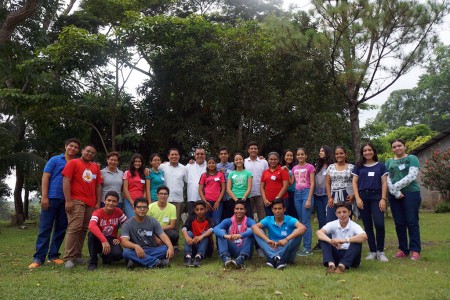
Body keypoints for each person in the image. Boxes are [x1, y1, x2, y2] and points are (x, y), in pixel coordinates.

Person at [29, 138, 81, 269]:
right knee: (45, 228)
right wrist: (44, 196)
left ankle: (53, 256)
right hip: (51, 198)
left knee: (61, 228)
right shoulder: (55, 160)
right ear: (66, 146)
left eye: (76, 147)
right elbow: (45, 177)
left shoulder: (77, 163)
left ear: (78, 150)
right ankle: (39, 258)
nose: (73, 148)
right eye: (71, 146)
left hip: (67, 201)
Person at [62, 144, 103, 269]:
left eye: (92, 153)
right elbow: (66, 181)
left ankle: (77, 255)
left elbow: (98, 186)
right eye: (88, 151)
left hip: (91, 203)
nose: (89, 154)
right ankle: (69, 258)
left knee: (84, 229)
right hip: (76, 200)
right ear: (83, 151)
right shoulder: (73, 163)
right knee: (74, 228)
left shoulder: (95, 167)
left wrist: (97, 202)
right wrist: (68, 200)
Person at [386, 139, 422, 261]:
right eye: (394, 146)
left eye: (399, 146)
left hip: (411, 193)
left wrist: (395, 188)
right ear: (392, 149)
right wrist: (395, 192)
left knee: (412, 222)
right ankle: (403, 249)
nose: (397, 148)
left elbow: (411, 176)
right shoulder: (389, 162)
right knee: (399, 223)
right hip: (394, 195)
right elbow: (387, 178)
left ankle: (415, 250)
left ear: (404, 146)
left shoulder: (412, 158)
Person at [352, 143, 389, 262]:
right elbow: (354, 183)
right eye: (365, 150)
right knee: (367, 225)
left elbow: (384, 183)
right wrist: (357, 198)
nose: (367, 152)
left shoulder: (381, 166)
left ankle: (380, 251)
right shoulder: (359, 166)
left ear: (374, 151)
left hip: (376, 197)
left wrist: (383, 199)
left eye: (370, 150)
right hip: (363, 197)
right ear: (362, 153)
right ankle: (372, 251)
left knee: (379, 224)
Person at [252, 198, 306, 270]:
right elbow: (254, 227)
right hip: (272, 249)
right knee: (258, 231)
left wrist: (286, 239)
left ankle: (275, 258)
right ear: (272, 210)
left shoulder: (289, 219)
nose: (277, 211)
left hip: (287, 253)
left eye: (280, 208)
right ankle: (275, 258)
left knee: (298, 232)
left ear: (284, 209)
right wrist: (267, 240)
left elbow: (303, 228)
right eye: (275, 209)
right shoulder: (268, 219)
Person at [120, 197, 174, 269]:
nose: (142, 209)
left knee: (165, 248)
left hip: (151, 249)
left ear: (148, 209)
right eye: (139, 207)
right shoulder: (127, 224)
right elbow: (124, 242)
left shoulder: (153, 221)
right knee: (126, 252)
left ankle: (136, 261)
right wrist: (136, 246)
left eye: (144, 207)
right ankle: (157, 263)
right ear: (134, 209)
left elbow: (163, 235)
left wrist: (170, 247)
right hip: (135, 250)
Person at [316, 202, 368, 274]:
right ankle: (331, 265)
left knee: (357, 242)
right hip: (336, 254)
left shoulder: (354, 225)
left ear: (349, 213)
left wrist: (344, 240)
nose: (342, 215)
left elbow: (364, 236)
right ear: (336, 214)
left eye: (344, 212)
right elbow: (319, 233)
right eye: (339, 212)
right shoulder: (333, 223)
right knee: (324, 239)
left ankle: (342, 266)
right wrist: (331, 241)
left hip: (350, 256)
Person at [87, 191, 127, 271]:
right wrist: (103, 240)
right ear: (104, 201)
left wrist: (119, 238)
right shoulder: (97, 212)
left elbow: (127, 225)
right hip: (98, 239)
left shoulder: (118, 211)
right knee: (92, 234)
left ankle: (105, 256)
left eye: (114, 201)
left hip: (111, 239)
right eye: (109, 200)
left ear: (117, 203)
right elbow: (91, 226)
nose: (111, 203)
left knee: (118, 255)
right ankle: (93, 263)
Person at [214, 200, 256, 268]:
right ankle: (225, 258)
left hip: (245, 249)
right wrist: (225, 236)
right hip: (232, 247)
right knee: (221, 232)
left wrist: (240, 235)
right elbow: (216, 228)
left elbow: (255, 228)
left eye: (241, 209)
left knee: (251, 230)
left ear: (245, 210)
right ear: (234, 210)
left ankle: (241, 258)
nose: (239, 211)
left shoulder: (249, 221)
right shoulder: (228, 221)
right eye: (237, 209)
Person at [292, 148, 315, 256]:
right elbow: (292, 181)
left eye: (302, 154)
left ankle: (307, 247)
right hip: (297, 194)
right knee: (300, 221)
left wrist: (309, 199)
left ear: (306, 155)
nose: (300, 156)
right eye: (298, 154)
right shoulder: (294, 168)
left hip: (306, 193)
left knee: (305, 221)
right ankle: (301, 246)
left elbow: (313, 184)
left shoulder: (310, 167)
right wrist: (284, 170)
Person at [312, 145, 335, 251]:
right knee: (321, 219)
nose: (320, 152)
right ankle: (321, 242)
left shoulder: (332, 166)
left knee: (328, 219)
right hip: (317, 195)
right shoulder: (317, 165)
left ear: (327, 152)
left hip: (328, 195)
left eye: (322, 151)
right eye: (319, 150)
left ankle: (331, 241)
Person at [159, 148, 187, 231]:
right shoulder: (162, 166)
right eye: (172, 154)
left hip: (178, 199)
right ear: (168, 156)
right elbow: (153, 171)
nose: (174, 156)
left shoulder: (184, 168)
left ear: (179, 156)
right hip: (164, 199)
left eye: (176, 154)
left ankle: (174, 242)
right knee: (164, 221)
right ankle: (163, 241)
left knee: (176, 222)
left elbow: (188, 181)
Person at [326, 146, 355, 223]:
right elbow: (328, 183)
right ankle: (331, 235)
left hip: (347, 196)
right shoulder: (330, 167)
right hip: (333, 196)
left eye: (341, 153)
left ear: (346, 154)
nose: (339, 155)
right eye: (337, 154)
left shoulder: (352, 167)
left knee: (345, 220)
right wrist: (329, 197)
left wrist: (353, 195)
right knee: (330, 220)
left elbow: (356, 183)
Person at [182, 201, 214, 267]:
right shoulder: (191, 218)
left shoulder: (209, 219)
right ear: (195, 210)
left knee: (205, 233)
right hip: (194, 245)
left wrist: (201, 237)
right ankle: (188, 257)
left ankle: (198, 257)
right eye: (197, 209)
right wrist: (187, 237)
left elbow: (212, 230)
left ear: (206, 210)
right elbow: (184, 228)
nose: (199, 211)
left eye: (201, 209)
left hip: (206, 248)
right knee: (188, 233)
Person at [244, 141, 268, 224]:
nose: (253, 150)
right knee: (249, 217)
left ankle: (263, 235)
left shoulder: (264, 162)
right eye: (251, 149)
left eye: (255, 148)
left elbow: (267, 176)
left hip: (260, 193)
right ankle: (250, 235)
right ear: (248, 150)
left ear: (257, 150)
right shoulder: (244, 162)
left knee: (262, 216)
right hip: (247, 193)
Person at [260, 152, 289, 217]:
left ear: (278, 160)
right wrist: (265, 200)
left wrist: (277, 198)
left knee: (282, 220)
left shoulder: (283, 170)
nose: (273, 161)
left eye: (275, 159)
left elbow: (285, 186)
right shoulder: (265, 172)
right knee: (270, 221)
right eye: (271, 159)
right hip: (268, 202)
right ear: (268, 160)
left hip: (281, 200)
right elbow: (262, 187)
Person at [199, 157, 226, 226]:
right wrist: (205, 202)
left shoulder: (220, 174)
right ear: (207, 165)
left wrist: (218, 202)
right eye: (209, 163)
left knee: (217, 222)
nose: (211, 164)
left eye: (213, 163)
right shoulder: (204, 175)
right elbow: (200, 190)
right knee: (207, 223)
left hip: (218, 202)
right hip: (207, 202)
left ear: (216, 164)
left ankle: (218, 236)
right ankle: (207, 237)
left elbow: (223, 189)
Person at [227, 153, 253, 218]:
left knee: (248, 218)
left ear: (243, 161)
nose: (238, 161)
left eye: (240, 159)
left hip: (245, 199)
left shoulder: (248, 173)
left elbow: (249, 188)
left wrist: (243, 198)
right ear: (234, 162)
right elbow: (228, 189)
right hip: (233, 199)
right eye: (236, 160)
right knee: (233, 219)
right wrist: (236, 200)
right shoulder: (231, 174)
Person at [123, 154, 148, 218]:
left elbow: (144, 189)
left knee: (141, 218)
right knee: (132, 217)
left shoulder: (143, 173)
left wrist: (144, 200)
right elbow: (125, 189)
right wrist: (132, 202)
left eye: (139, 161)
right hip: (129, 200)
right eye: (135, 161)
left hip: (140, 200)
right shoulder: (127, 172)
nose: (137, 163)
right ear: (132, 163)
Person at [186, 147, 207, 215]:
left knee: (204, 221)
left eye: (202, 154)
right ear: (194, 155)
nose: (200, 155)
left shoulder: (209, 166)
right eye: (197, 154)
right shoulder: (188, 167)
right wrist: (165, 164)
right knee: (192, 221)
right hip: (192, 198)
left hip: (205, 199)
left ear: (205, 155)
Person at [217, 147, 235, 220]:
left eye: (225, 154)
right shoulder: (216, 166)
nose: (223, 155)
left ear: (228, 155)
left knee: (231, 217)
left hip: (231, 196)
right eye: (221, 154)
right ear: (219, 156)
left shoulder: (233, 165)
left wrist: (260, 158)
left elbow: (242, 162)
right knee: (221, 218)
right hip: (220, 196)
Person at [281, 149, 298, 219]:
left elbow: (291, 183)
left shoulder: (294, 167)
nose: (289, 157)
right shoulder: (279, 167)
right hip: (283, 192)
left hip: (293, 192)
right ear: (284, 157)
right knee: (285, 212)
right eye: (287, 155)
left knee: (294, 213)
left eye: (291, 156)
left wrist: (287, 171)